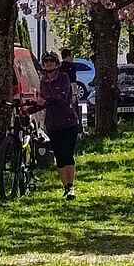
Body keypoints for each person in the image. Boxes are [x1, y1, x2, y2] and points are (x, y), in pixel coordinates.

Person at [37, 51, 81, 200]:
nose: (49, 63)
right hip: (53, 125)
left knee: (68, 155)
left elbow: (62, 97)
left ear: (57, 63)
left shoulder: (64, 78)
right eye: (46, 61)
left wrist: (46, 101)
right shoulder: (43, 81)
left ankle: (71, 186)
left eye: (51, 60)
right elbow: (41, 102)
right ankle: (65, 187)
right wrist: (28, 109)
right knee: (59, 157)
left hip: (68, 123)